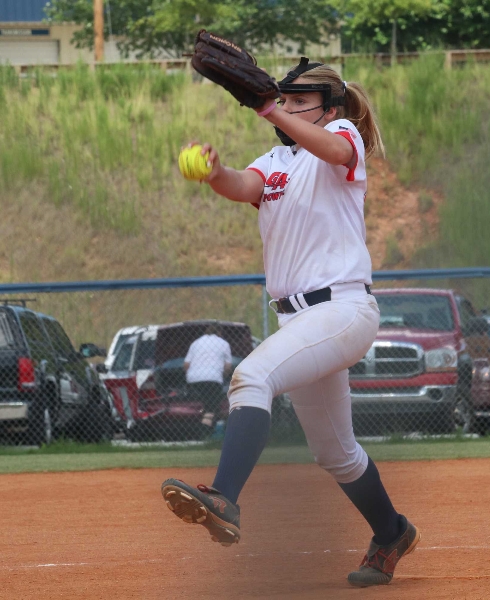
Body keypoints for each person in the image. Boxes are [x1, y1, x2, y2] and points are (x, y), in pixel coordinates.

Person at [161, 57, 421, 588]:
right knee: (336, 453)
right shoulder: (277, 160)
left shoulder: (342, 137)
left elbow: (335, 151)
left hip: (342, 309)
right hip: (297, 320)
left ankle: (223, 498)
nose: (288, 107)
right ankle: (391, 532)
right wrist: (213, 172)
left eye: (300, 101)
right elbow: (243, 186)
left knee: (252, 377)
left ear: (330, 108)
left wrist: (267, 108)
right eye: (285, 99)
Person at [184, 323, 232, 429]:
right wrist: (223, 376)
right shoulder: (224, 343)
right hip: (213, 379)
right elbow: (228, 366)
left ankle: (201, 425)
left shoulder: (195, 343)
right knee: (211, 405)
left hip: (193, 380)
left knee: (206, 401)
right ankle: (205, 428)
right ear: (220, 332)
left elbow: (186, 365)